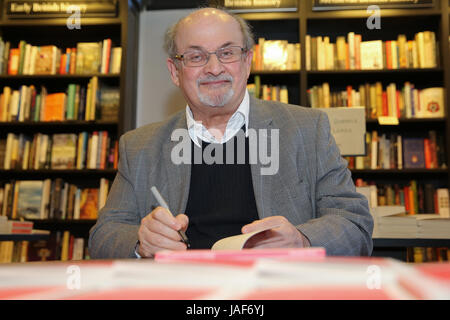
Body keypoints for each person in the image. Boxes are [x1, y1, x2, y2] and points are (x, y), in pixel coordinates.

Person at [88, 7, 373, 259]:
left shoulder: (308, 130)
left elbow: (354, 224)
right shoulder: (139, 147)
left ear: (247, 61)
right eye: (196, 56)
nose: (214, 68)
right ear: (175, 71)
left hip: (278, 289)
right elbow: (104, 236)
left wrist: (302, 240)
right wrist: (141, 242)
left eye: (227, 53)